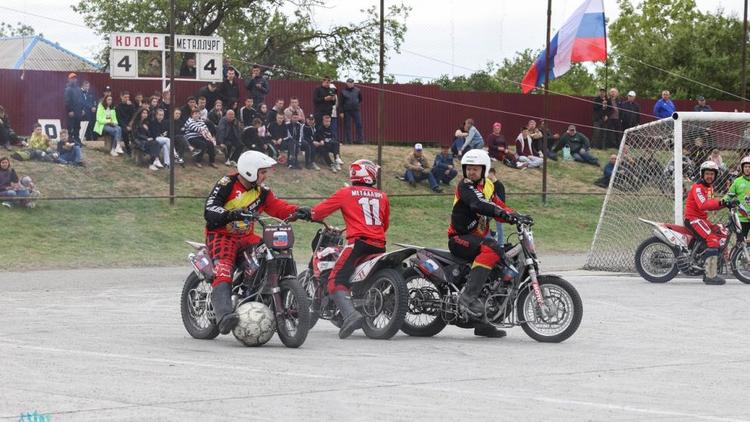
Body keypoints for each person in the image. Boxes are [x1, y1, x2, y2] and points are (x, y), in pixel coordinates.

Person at [203, 151, 308, 334]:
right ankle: (224, 315)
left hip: (247, 237)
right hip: (221, 235)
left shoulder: (262, 192)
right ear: (250, 171)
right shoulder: (226, 184)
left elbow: (278, 208)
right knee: (224, 269)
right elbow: (209, 209)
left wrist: (298, 211)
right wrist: (230, 214)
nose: (265, 176)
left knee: (272, 253)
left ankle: (277, 298)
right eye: (263, 172)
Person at [448, 149, 530, 337]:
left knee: (507, 259)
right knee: (492, 248)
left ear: (484, 170)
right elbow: (478, 204)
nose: (471, 172)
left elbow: (499, 206)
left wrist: (516, 216)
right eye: (468, 169)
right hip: (459, 238)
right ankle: (467, 298)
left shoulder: (489, 187)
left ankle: (484, 320)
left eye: (475, 169)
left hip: (479, 238)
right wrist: (502, 214)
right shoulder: (465, 186)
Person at [308, 159, 388, 338]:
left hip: (358, 243)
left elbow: (318, 212)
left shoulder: (347, 192)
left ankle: (351, 315)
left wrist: (309, 214)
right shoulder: (382, 196)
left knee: (335, 279)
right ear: (370, 174)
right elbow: (385, 223)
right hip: (379, 244)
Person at [685, 161, 737, 285]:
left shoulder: (709, 187)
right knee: (712, 239)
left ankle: (709, 262)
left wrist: (726, 204)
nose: (710, 176)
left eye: (712, 174)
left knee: (720, 231)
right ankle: (709, 275)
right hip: (693, 219)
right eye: (707, 174)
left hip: (701, 219)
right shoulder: (698, 187)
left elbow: (712, 204)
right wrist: (721, 202)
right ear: (702, 174)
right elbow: (703, 204)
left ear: (715, 175)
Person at [724, 156, 750, 242]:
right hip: (742, 217)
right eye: (745, 166)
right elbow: (729, 195)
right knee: (741, 242)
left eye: (749, 167)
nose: (747, 169)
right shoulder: (737, 181)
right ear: (742, 168)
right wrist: (723, 201)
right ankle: (740, 255)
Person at [339, 78, 363, 144]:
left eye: (352, 82)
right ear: (347, 83)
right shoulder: (343, 92)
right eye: (349, 82)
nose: (350, 84)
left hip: (356, 110)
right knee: (348, 126)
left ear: (353, 83)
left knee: (359, 125)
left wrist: (356, 103)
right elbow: (341, 103)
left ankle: (360, 140)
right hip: (347, 111)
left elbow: (360, 99)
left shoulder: (358, 90)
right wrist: (341, 112)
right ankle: (349, 141)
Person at [487, 167, 506, 244]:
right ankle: (490, 238)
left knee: (500, 227)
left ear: (493, 174)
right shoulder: (488, 184)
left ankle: (501, 244)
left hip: (498, 209)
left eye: (489, 174)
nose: (488, 176)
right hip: (490, 209)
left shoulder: (499, 185)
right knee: (483, 224)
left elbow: (502, 199)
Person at [64, 73, 83, 145]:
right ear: (69, 79)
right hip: (71, 112)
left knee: (77, 126)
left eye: (75, 78)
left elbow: (81, 100)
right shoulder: (68, 89)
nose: (74, 79)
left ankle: (77, 139)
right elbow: (67, 101)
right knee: (70, 127)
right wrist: (70, 110)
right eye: (72, 78)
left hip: (78, 111)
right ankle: (70, 140)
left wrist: (82, 109)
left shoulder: (78, 89)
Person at [116, 91, 136, 156]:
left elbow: (134, 116)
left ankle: (136, 148)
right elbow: (119, 119)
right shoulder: (118, 106)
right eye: (125, 97)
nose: (127, 99)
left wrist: (131, 124)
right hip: (122, 124)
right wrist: (125, 126)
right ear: (121, 97)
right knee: (125, 132)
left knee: (135, 130)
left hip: (130, 123)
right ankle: (128, 149)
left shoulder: (131, 106)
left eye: (128, 97)